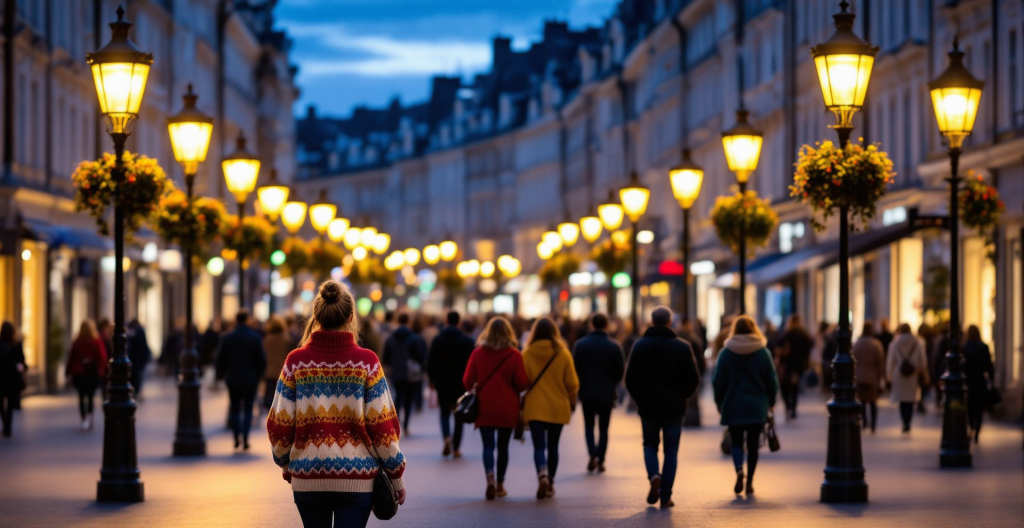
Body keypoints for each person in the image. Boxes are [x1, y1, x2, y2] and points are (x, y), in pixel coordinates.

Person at [267, 280, 406, 528]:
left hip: (307, 476)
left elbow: (280, 423)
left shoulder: (296, 362)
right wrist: (396, 477)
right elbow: (383, 428)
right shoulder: (367, 363)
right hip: (357, 479)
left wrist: (287, 463)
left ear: (316, 316)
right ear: (351, 317)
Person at [625, 306, 700, 509]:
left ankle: (653, 476)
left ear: (652, 321)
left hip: (648, 405)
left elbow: (630, 378)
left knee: (650, 445)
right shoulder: (683, 346)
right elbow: (693, 378)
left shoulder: (640, 346)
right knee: (671, 451)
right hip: (675, 407)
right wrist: (683, 396)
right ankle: (665, 496)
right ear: (670, 322)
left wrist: (640, 399)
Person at [712, 315, 779, 496]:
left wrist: (719, 402)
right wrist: (772, 401)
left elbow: (718, 382)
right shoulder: (763, 352)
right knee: (753, 445)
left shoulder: (726, 353)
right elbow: (772, 381)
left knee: (736, 442)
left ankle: (739, 469)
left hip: (733, 404)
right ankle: (750, 482)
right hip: (757, 405)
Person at [462, 316, 528, 500]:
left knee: (488, 446)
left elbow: (467, 382)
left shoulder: (477, 353)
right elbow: (522, 384)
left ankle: (489, 476)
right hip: (508, 407)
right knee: (503, 447)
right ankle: (500, 484)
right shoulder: (514, 355)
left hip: (485, 406)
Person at [522, 318, 579, 500]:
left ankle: (542, 474)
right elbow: (572, 383)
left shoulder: (527, 353)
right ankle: (551, 482)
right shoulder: (563, 354)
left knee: (539, 446)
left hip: (535, 407)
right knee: (553, 446)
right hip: (557, 406)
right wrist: (572, 401)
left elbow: (522, 382)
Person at [572, 313, 624, 473]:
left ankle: (592, 453)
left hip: (587, 392)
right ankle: (601, 459)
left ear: (591, 325)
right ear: (606, 325)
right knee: (604, 428)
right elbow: (620, 371)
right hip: (607, 393)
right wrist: (611, 383)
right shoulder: (614, 346)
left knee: (589, 426)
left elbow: (575, 369)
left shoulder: (580, 345)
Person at [427, 311, 475, 458]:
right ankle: (456, 447)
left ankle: (447, 437)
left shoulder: (438, 339)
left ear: (446, 321)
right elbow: (471, 364)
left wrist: (432, 380)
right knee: (459, 414)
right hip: (460, 383)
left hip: (442, 381)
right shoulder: (467, 341)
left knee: (444, 412)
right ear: (459, 321)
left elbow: (431, 361)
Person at [216, 309, 267, 450]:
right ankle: (245, 437)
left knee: (235, 408)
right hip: (250, 378)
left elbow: (220, 358)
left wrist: (221, 375)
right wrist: (259, 374)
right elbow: (261, 359)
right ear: (247, 320)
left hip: (232, 378)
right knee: (248, 408)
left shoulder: (227, 337)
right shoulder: (254, 337)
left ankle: (235, 437)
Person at [382, 313, 426, 434]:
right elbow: (420, 355)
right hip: (410, 373)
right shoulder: (414, 337)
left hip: (396, 372)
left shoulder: (391, 338)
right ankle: (406, 426)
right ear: (408, 322)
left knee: (397, 397)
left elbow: (386, 357)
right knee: (408, 399)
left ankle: (397, 425)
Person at [886, 323, 929, 434]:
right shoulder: (917, 342)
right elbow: (922, 360)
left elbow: (891, 360)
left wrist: (889, 374)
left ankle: (904, 422)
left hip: (899, 374)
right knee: (910, 399)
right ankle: (908, 421)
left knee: (902, 399)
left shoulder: (895, 343)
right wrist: (921, 369)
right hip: (913, 373)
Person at [66, 320, 108, 431]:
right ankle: (89, 416)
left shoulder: (77, 342)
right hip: (92, 373)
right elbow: (102, 357)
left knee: (81, 396)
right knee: (90, 397)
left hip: (79, 373)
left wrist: (68, 371)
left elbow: (71, 357)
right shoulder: (96, 341)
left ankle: (84, 418)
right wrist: (101, 370)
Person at [775, 314, 813, 421]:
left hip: (788, 364)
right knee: (794, 388)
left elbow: (778, 347)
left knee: (785, 387)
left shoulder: (787, 334)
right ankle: (793, 409)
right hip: (798, 365)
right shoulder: (803, 334)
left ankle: (788, 406)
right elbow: (809, 346)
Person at [962, 325, 994, 443]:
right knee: (979, 409)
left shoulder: (964, 347)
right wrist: (991, 380)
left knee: (970, 408)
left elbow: (962, 366)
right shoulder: (983, 347)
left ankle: (971, 428)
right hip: (980, 381)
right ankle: (977, 431)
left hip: (969, 382)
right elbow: (989, 366)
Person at [852, 321, 886, 433]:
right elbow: (880, 362)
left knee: (862, 400)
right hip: (872, 376)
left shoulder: (857, 344)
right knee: (873, 401)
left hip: (860, 376)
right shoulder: (876, 344)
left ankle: (865, 422)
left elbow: (853, 359)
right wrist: (882, 376)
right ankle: (873, 425)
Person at [0, 322, 27, 437]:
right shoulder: (16, 345)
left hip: (2, 379)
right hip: (12, 379)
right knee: (10, 404)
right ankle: (8, 426)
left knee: (1, 403)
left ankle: (6, 424)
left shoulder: (4, 345)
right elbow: (22, 361)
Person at [262, 316, 293, 411]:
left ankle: (269, 410)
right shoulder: (286, 339)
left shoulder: (267, 339)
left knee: (269, 393)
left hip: (269, 371)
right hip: (282, 371)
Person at [126, 319, 151, 400]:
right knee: (137, 376)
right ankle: (136, 392)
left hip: (137, 359)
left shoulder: (137, 333)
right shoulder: (138, 332)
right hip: (138, 359)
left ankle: (136, 392)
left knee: (137, 376)